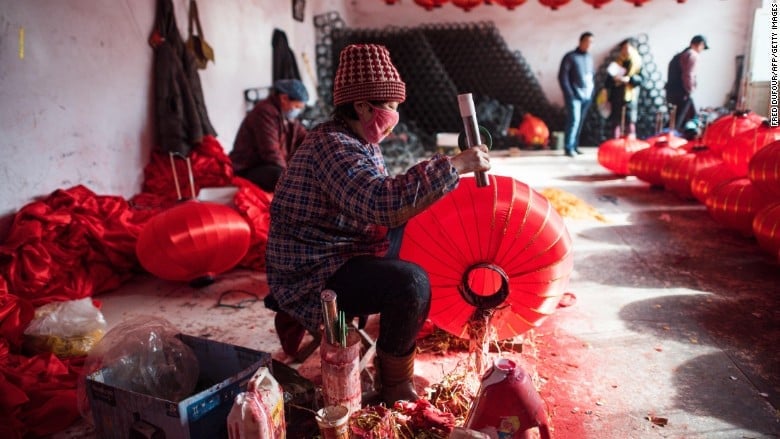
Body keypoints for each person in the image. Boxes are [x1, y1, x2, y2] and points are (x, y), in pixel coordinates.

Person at [264, 43, 490, 405]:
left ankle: (380, 337)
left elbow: (387, 198)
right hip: (313, 269)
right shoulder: (333, 147)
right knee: (411, 283)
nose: (394, 118)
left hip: (343, 246)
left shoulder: (358, 139)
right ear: (362, 106)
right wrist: (454, 166)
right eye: (391, 109)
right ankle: (393, 386)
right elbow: (382, 204)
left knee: (416, 226)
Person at [230, 79, 309, 192]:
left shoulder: (287, 115)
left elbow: (305, 137)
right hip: (249, 168)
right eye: (297, 106)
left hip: (268, 165)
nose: (297, 111)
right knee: (281, 176)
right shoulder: (265, 112)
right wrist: (291, 175)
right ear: (284, 98)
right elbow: (270, 151)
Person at [558, 32, 595, 157]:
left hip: (586, 96)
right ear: (580, 42)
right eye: (587, 42)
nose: (589, 45)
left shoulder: (589, 58)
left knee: (580, 122)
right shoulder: (570, 57)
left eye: (591, 42)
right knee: (574, 120)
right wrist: (569, 94)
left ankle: (575, 145)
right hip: (574, 96)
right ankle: (568, 147)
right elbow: (562, 77)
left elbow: (590, 77)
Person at [666, 35, 708, 132]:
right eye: (703, 47)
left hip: (671, 92)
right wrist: (690, 90)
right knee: (679, 122)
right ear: (700, 45)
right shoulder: (692, 55)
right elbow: (688, 75)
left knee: (674, 120)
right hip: (682, 93)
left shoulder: (679, 55)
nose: (701, 50)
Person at [606, 39, 643, 138]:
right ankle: (615, 142)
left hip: (630, 96)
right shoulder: (618, 62)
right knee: (616, 121)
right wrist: (615, 79)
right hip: (617, 96)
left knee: (630, 120)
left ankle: (630, 142)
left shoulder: (637, 62)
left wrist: (629, 79)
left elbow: (642, 79)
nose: (625, 50)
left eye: (627, 48)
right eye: (623, 48)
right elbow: (608, 81)